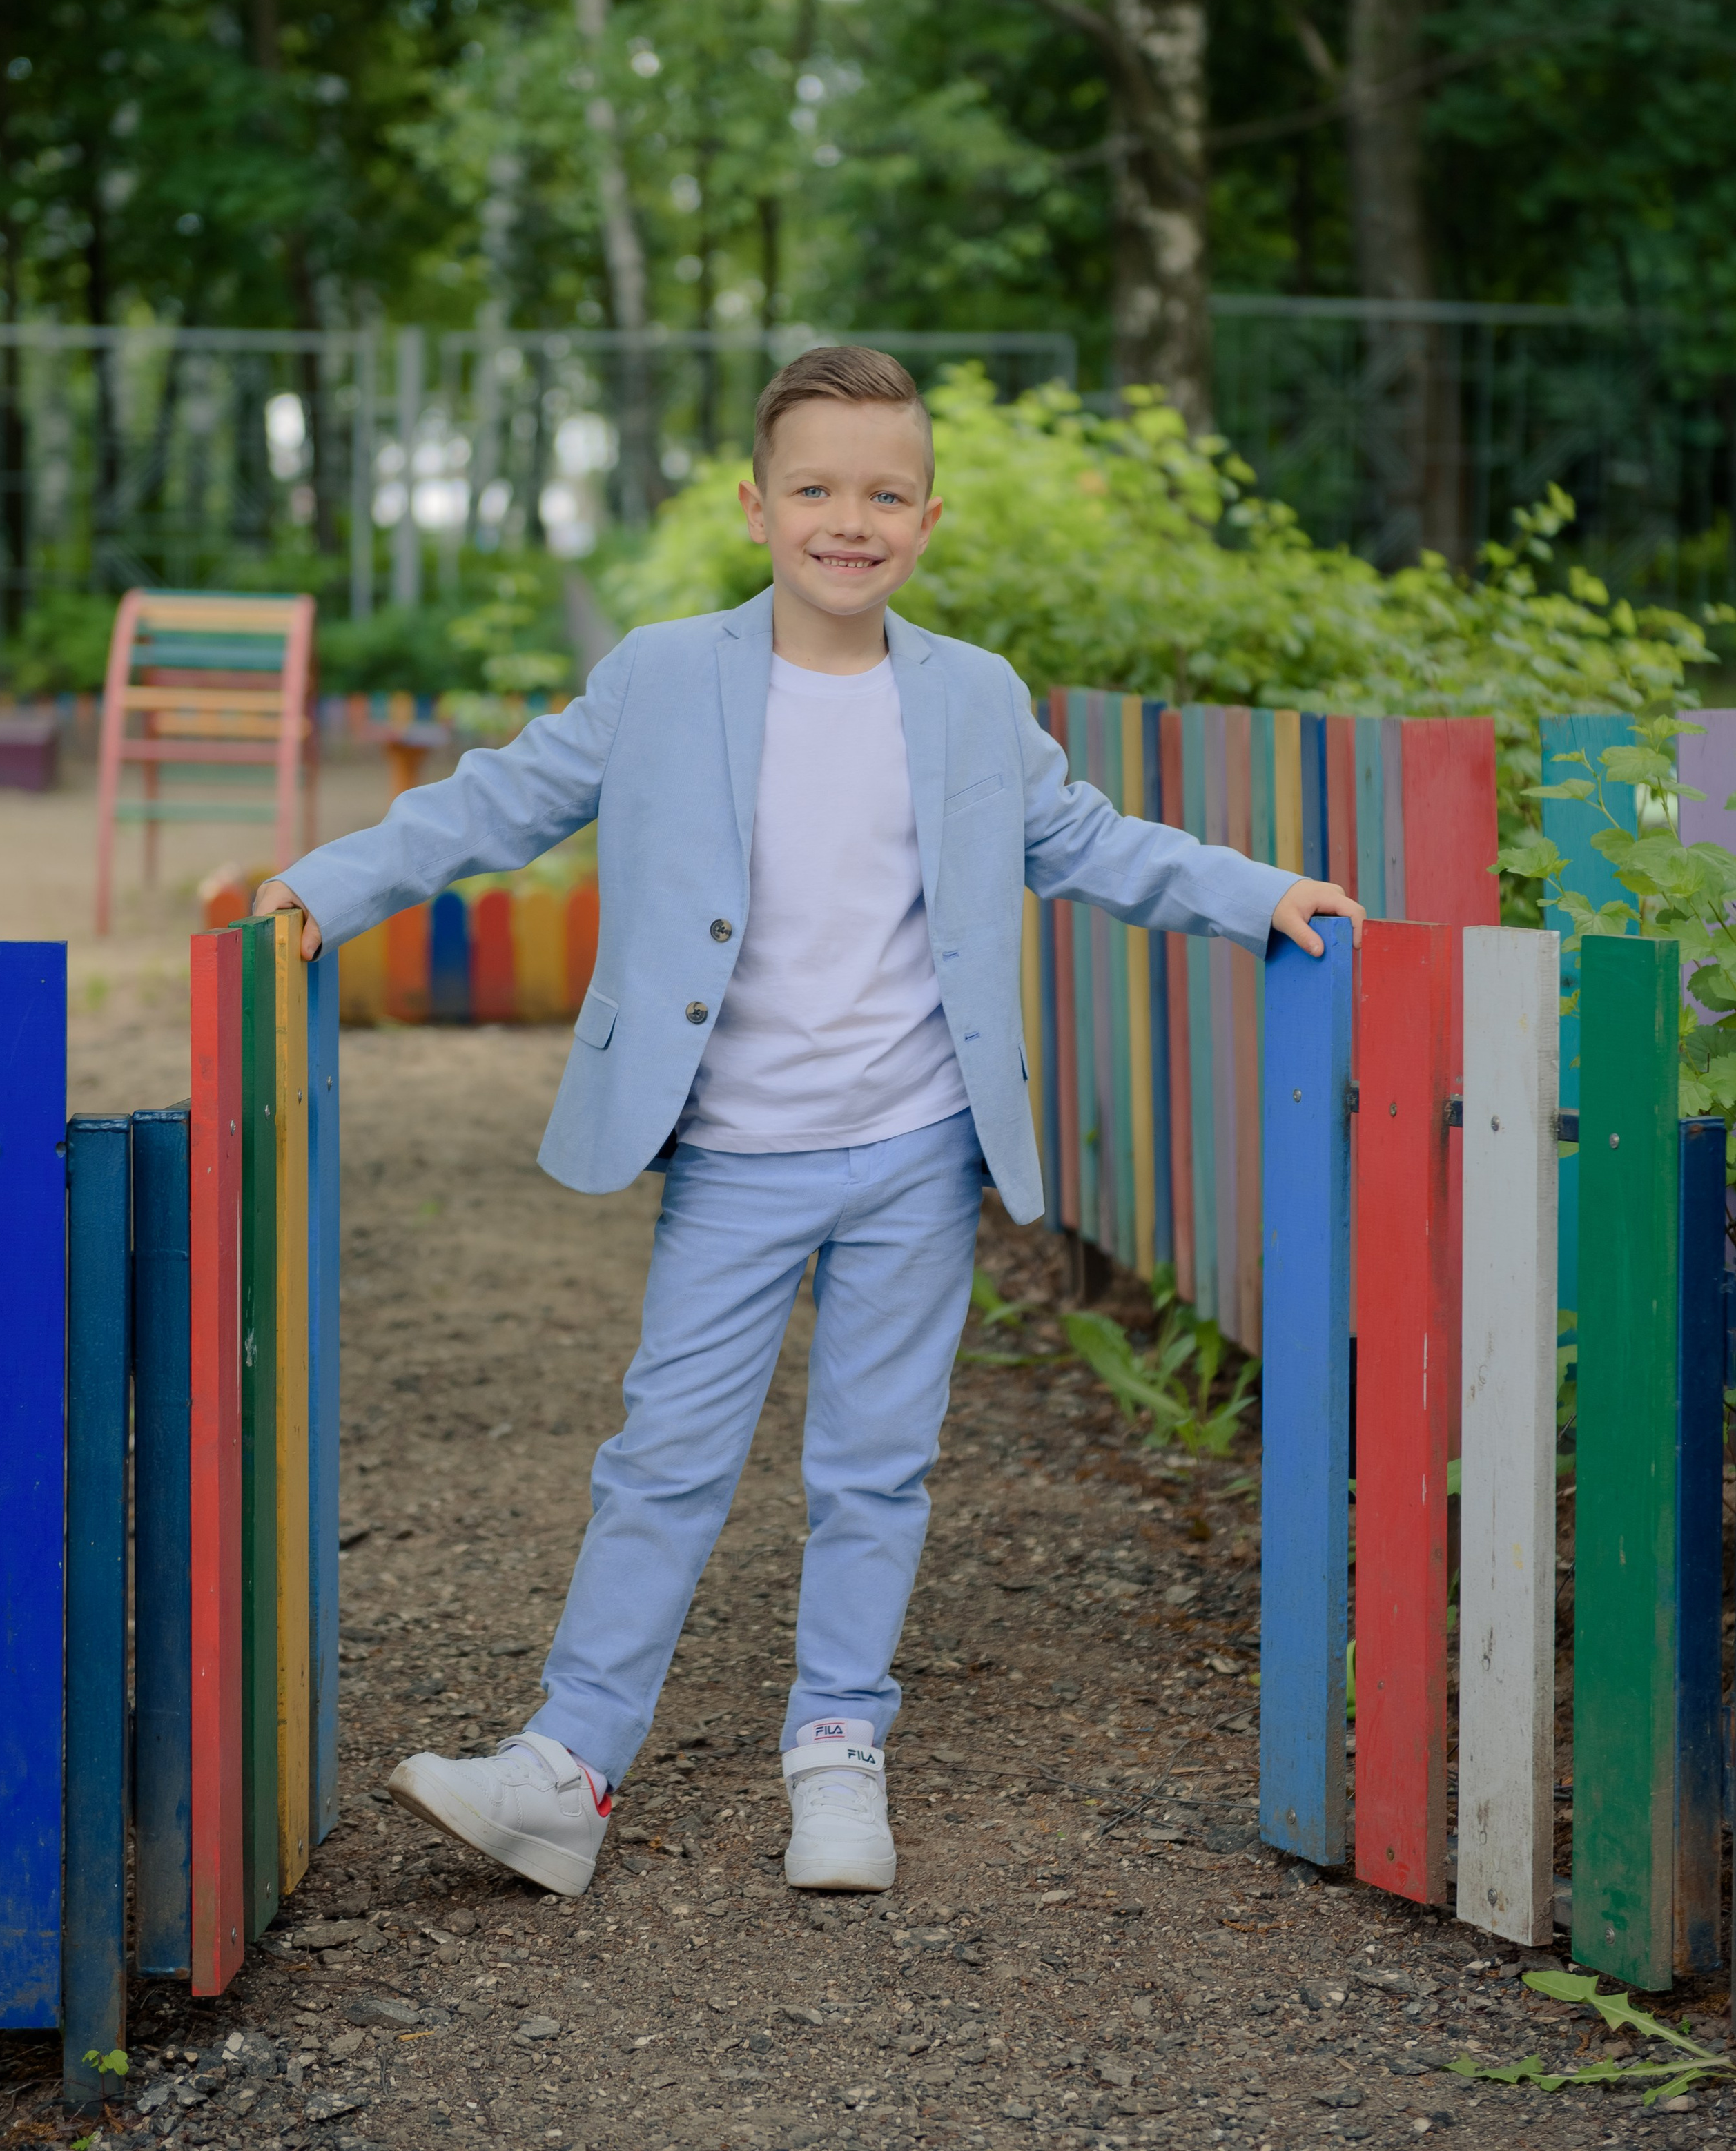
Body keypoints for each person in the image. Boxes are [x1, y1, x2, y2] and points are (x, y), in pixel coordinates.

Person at [255, 344, 1362, 1903]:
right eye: (817, 489)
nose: (851, 520)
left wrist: (1258, 895)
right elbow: (500, 799)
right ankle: (568, 1768)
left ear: (926, 514)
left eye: (884, 494)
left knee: (874, 1465)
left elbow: (1084, 839)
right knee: (662, 1460)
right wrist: (334, 877)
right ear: (756, 503)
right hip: (730, 1151)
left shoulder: (971, 696)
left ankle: (838, 1743)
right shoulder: (662, 673)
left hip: (916, 1144)